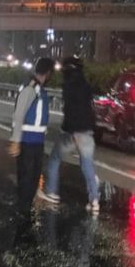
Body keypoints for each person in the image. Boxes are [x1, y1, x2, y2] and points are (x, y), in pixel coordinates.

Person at [40, 56, 100, 211]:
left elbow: (70, 110)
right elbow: (89, 108)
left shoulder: (69, 86)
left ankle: (51, 191)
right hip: (87, 130)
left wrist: (69, 129)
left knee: (54, 158)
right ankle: (94, 200)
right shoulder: (85, 85)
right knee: (87, 165)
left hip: (73, 130)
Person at [8, 57, 55, 212]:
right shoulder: (30, 89)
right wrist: (15, 141)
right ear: (48, 73)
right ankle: (22, 212)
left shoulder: (40, 91)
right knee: (26, 179)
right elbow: (19, 115)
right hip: (27, 142)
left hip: (37, 143)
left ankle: (25, 209)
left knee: (33, 179)